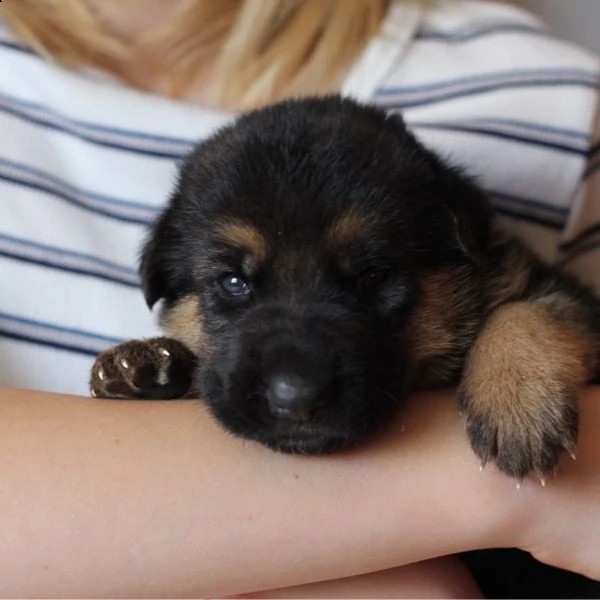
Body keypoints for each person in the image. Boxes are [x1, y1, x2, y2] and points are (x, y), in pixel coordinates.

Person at [0, 0, 598, 596]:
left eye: (369, 280)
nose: (294, 388)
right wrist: (501, 497)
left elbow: (564, 311)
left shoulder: (545, 91)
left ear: (463, 250)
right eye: (232, 285)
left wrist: (521, 337)